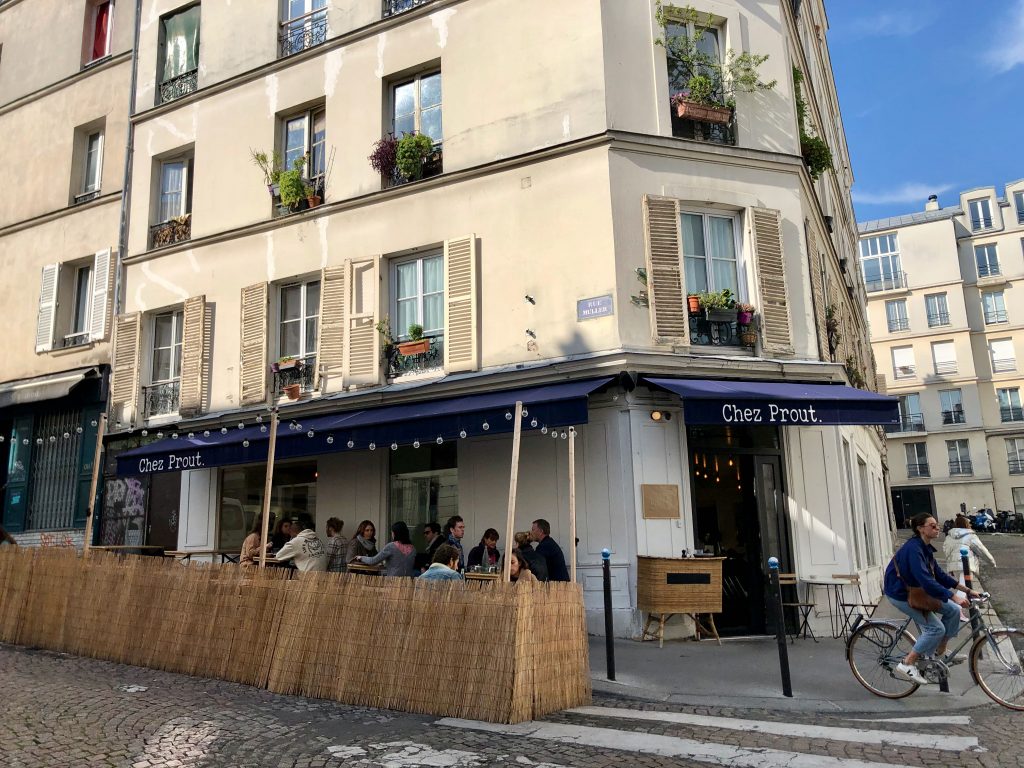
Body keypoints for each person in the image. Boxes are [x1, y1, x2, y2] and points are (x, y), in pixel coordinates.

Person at [883, 512, 978, 685]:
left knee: (954, 611)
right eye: (932, 526)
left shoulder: (924, 546)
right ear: (920, 529)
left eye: (937, 525)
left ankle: (939, 651)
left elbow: (938, 574)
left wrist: (965, 590)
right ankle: (907, 663)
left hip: (917, 591)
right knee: (935, 629)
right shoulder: (913, 549)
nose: (937, 528)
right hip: (901, 593)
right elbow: (926, 580)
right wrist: (953, 596)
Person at [943, 514, 996, 582]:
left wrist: (950, 567)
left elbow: (947, 552)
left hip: (954, 568)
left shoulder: (948, 537)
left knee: (962, 588)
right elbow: (982, 550)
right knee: (968, 588)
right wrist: (992, 562)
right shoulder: (970, 536)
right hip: (968, 566)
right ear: (967, 524)